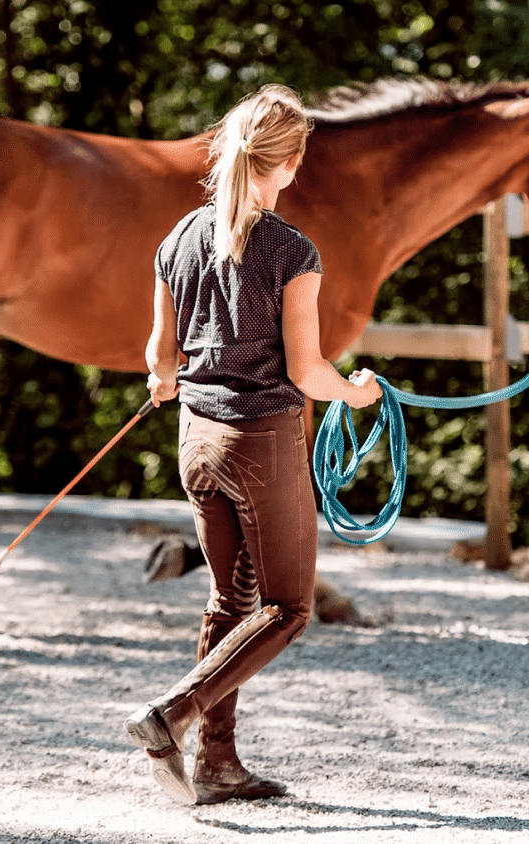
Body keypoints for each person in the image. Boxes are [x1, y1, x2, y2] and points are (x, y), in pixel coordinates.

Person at [124, 84, 382, 805]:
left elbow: (159, 358)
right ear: (291, 163)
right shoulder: (292, 251)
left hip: (195, 445)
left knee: (229, 600)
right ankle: (171, 714)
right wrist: (358, 393)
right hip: (260, 443)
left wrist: (166, 379)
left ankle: (218, 765)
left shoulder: (178, 237)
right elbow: (306, 371)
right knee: (289, 608)